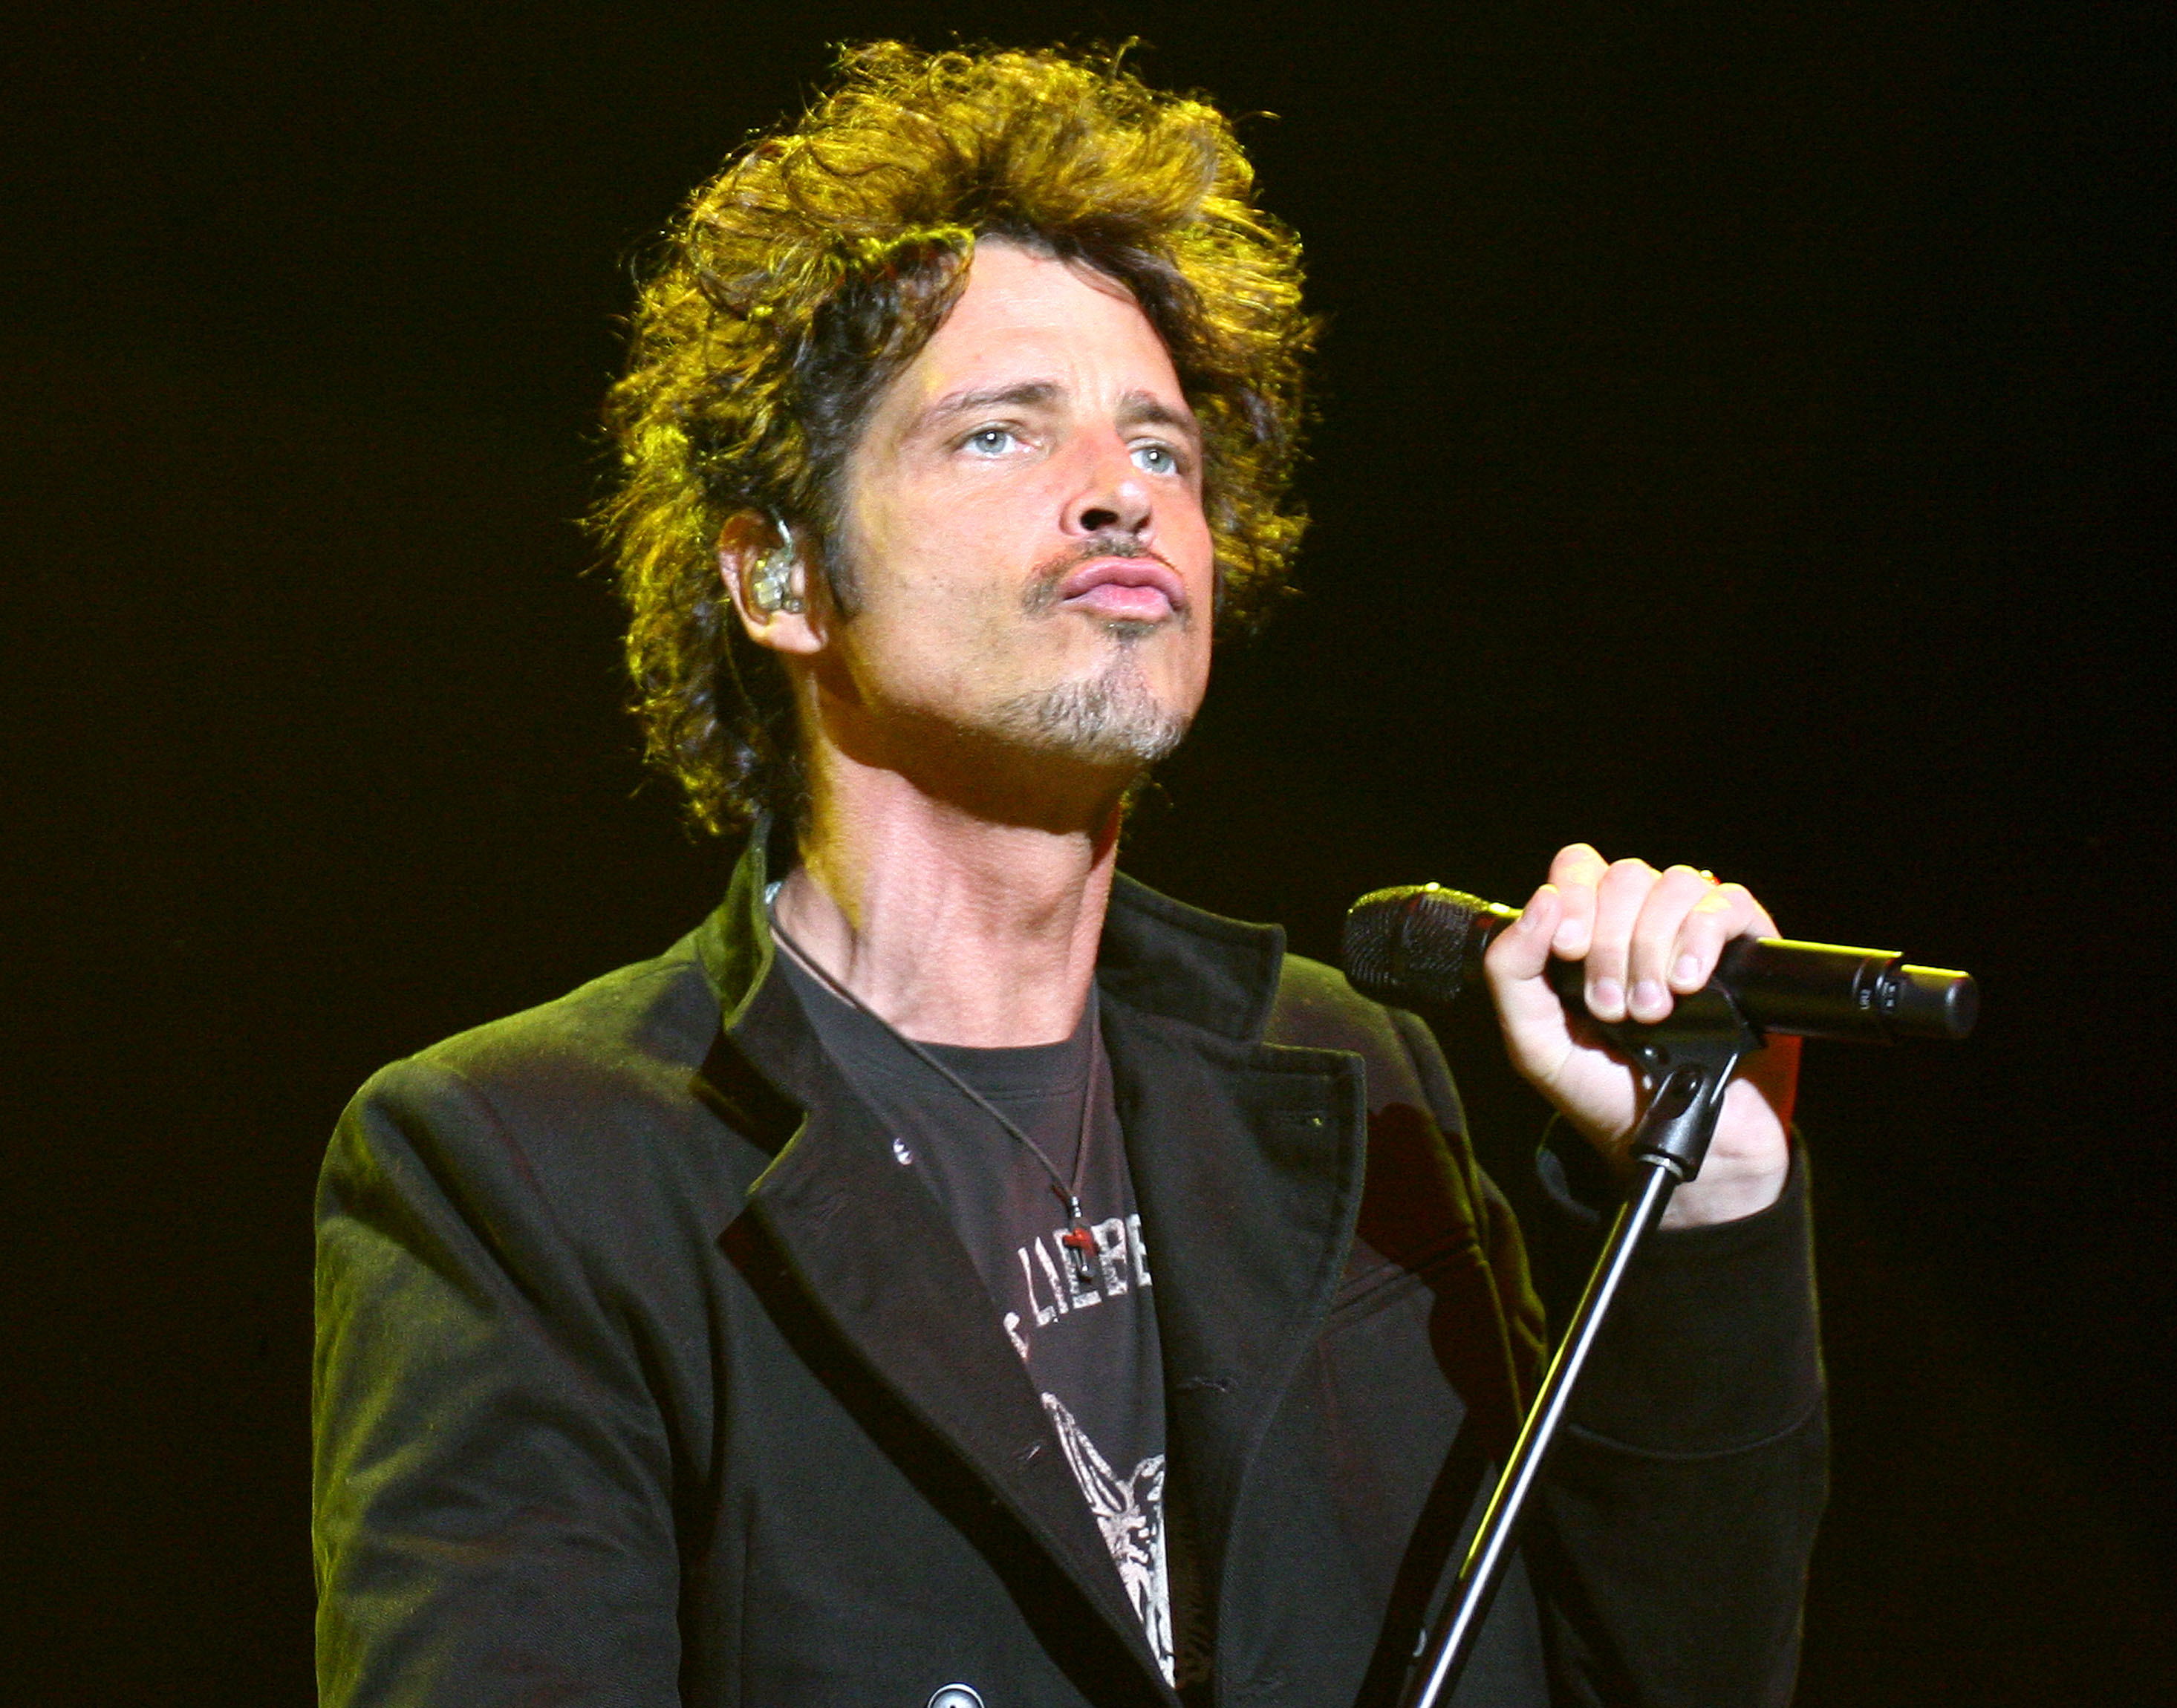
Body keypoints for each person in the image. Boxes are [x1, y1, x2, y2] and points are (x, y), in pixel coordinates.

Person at [313, 43, 1824, 1708]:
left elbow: (1651, 1680)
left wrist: (1705, 1195)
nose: (1119, 495)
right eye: (996, 435)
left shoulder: (1350, 1072)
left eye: (1162, 452)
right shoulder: (525, 1165)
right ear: (781, 577)